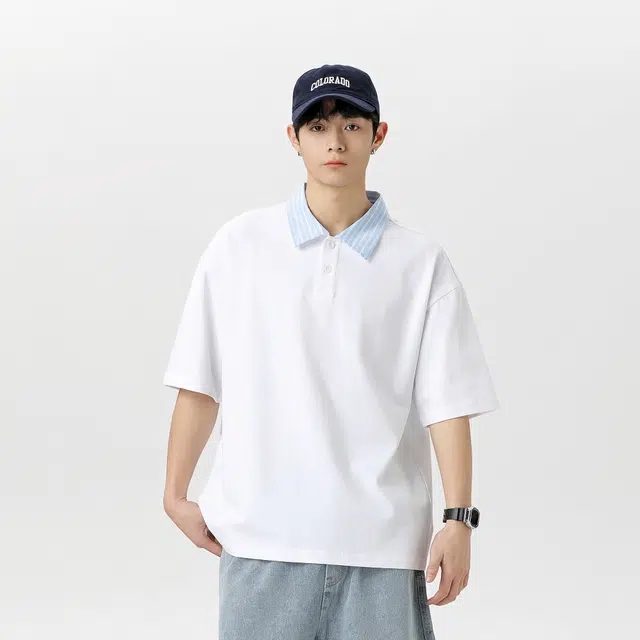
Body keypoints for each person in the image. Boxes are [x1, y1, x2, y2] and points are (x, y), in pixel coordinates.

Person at [162, 63, 500, 640]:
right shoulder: (239, 246)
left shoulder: (420, 263)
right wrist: (175, 494)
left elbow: (448, 404)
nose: (335, 142)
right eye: (317, 127)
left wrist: (459, 520)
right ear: (293, 138)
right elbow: (200, 381)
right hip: (262, 541)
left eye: (351, 125)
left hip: (382, 548)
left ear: (378, 135)